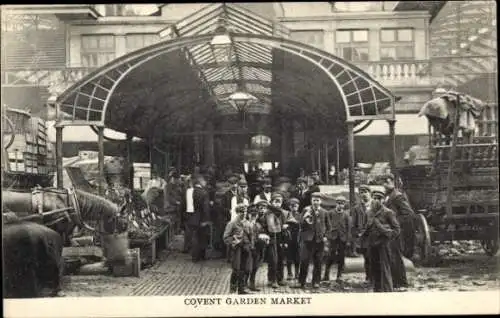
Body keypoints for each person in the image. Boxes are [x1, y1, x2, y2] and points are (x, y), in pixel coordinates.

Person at [360, 189, 400, 292]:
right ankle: (377, 290)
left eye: (379, 198)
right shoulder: (369, 212)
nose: (376, 200)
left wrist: (386, 234)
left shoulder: (388, 212)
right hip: (372, 244)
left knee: (385, 268)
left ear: (383, 200)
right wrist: (362, 237)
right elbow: (366, 228)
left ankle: (387, 290)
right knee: (374, 268)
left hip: (383, 244)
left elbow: (396, 230)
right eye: (374, 198)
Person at [383, 173, 415, 289]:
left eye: (387, 182)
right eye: (384, 182)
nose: (385, 184)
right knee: (391, 257)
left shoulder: (397, 196)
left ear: (393, 182)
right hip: (389, 231)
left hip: (395, 232)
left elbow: (408, 214)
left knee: (396, 257)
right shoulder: (388, 196)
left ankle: (401, 283)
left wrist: (394, 222)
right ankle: (395, 282)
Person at [295, 192, 330, 289]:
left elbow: (329, 226)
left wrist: (325, 236)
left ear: (321, 201)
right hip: (307, 240)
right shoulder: (306, 210)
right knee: (304, 261)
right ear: (311, 201)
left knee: (318, 261)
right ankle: (301, 282)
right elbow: (300, 224)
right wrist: (305, 218)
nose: (316, 202)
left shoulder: (325, 212)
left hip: (319, 240)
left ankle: (316, 282)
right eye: (314, 200)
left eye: (317, 200)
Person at [264, 192, 295, 288]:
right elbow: (262, 224)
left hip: (282, 238)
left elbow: (293, 221)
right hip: (271, 238)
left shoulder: (285, 213)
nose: (278, 204)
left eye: (279, 202)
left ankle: (280, 278)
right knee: (273, 259)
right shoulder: (267, 213)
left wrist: (288, 225)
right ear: (272, 202)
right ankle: (272, 280)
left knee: (281, 258)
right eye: (275, 201)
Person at [223, 203, 252, 294]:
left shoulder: (248, 223)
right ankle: (232, 288)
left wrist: (250, 244)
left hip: (246, 248)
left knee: (244, 269)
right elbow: (225, 237)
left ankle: (241, 289)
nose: (243, 213)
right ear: (237, 212)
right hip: (236, 249)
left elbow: (251, 236)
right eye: (241, 212)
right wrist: (234, 240)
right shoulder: (232, 223)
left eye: (245, 211)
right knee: (236, 269)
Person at [324, 195, 352, 282]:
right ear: (336, 204)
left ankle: (339, 275)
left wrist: (348, 240)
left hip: (342, 238)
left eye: (342, 204)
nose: (340, 205)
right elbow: (326, 226)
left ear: (344, 205)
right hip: (332, 238)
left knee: (341, 256)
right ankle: (326, 274)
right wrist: (327, 236)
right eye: (339, 203)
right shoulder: (330, 213)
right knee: (330, 256)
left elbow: (349, 228)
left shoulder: (346, 215)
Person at [184, 175, 211, 262]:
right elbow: (205, 208)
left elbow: (183, 206)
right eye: (204, 181)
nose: (205, 183)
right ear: (200, 182)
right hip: (201, 218)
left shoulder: (188, 191)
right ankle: (201, 256)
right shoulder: (204, 193)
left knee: (194, 237)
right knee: (202, 237)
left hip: (190, 218)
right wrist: (206, 220)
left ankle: (194, 257)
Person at [246, 201, 270, 291]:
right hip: (248, 248)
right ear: (248, 215)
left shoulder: (258, 225)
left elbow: (261, 233)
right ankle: (244, 283)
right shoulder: (245, 224)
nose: (253, 216)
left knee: (255, 266)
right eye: (251, 214)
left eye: (255, 215)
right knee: (247, 267)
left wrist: (263, 238)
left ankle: (251, 283)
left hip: (257, 248)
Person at [352, 184, 373, 283]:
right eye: (361, 192)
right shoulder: (357, 208)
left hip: (374, 235)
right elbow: (354, 224)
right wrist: (357, 234)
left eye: (366, 192)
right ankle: (369, 277)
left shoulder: (375, 205)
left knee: (375, 257)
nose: (364, 194)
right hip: (363, 238)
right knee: (367, 258)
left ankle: (376, 277)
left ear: (370, 193)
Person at [285, 197, 301, 281]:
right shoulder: (286, 215)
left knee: (297, 257)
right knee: (289, 257)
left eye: (295, 206)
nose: (294, 207)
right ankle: (289, 273)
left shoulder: (300, 215)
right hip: (289, 238)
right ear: (289, 207)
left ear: (298, 206)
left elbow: (302, 225)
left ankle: (297, 273)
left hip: (297, 238)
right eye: (292, 206)